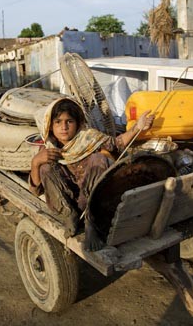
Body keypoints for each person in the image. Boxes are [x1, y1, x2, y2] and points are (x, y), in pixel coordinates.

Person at [29, 98, 154, 250]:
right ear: (50, 125)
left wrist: (137, 128)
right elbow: (37, 190)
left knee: (99, 158)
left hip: (93, 201)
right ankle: (70, 217)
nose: (64, 127)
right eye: (58, 122)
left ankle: (91, 223)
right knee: (45, 167)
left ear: (78, 123)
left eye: (69, 121)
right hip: (67, 203)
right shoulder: (48, 149)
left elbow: (116, 144)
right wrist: (35, 163)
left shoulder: (89, 137)